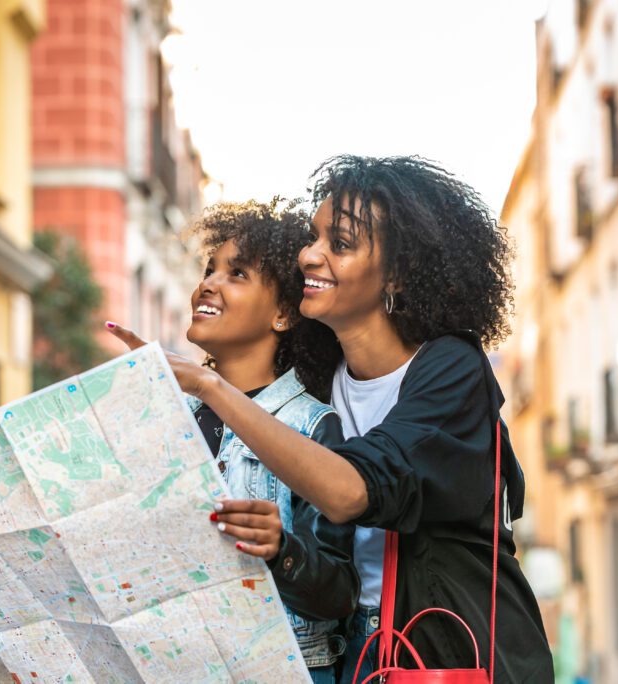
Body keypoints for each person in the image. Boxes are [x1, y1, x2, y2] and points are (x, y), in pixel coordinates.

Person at [109, 156, 555, 683]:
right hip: (350, 651)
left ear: (398, 272)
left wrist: (209, 384)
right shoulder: (320, 382)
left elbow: (352, 492)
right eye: (314, 237)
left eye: (339, 244)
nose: (309, 256)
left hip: (443, 648)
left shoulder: (452, 369)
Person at [0, 199, 359, 684]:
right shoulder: (154, 410)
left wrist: (281, 549)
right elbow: (83, 543)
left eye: (237, 274)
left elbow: (341, 593)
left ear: (284, 315)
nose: (208, 283)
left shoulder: (313, 427)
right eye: (209, 269)